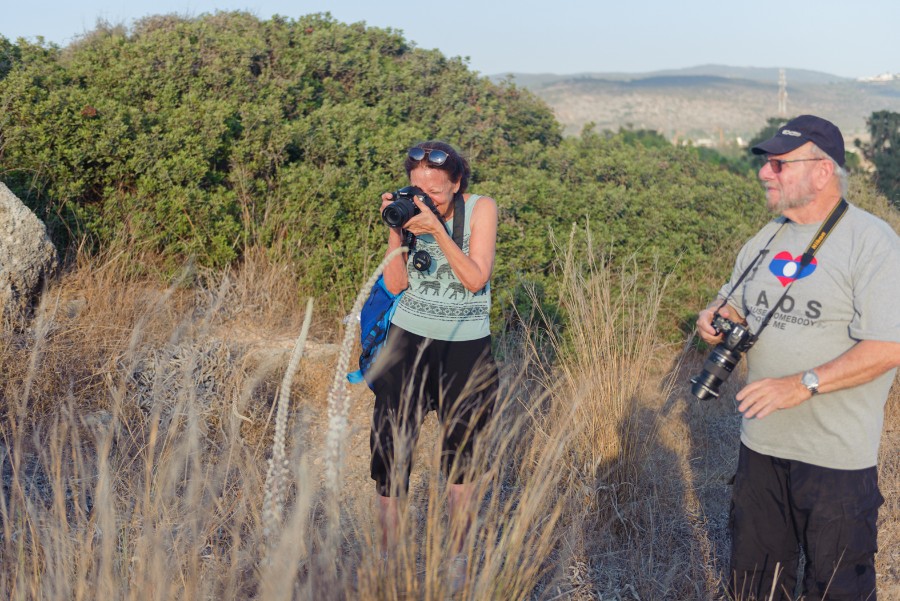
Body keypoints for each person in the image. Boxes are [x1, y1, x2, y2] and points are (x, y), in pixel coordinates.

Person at [695, 115, 900, 600]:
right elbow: (735, 302)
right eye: (767, 163)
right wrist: (715, 314)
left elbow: (888, 347)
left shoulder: (873, 243)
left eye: (780, 164)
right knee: (755, 585)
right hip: (761, 448)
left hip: (835, 458)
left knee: (836, 588)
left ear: (822, 171)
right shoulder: (765, 238)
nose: (766, 173)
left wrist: (799, 384)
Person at [371, 140, 499, 586]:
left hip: (465, 348)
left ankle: (457, 561)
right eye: (416, 189)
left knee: (462, 459)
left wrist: (438, 231)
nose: (426, 198)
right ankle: (389, 560)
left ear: (458, 183)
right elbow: (395, 281)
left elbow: (475, 279)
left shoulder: (480, 208)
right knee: (391, 453)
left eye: (437, 192)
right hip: (407, 342)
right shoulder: (408, 209)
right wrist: (398, 225)